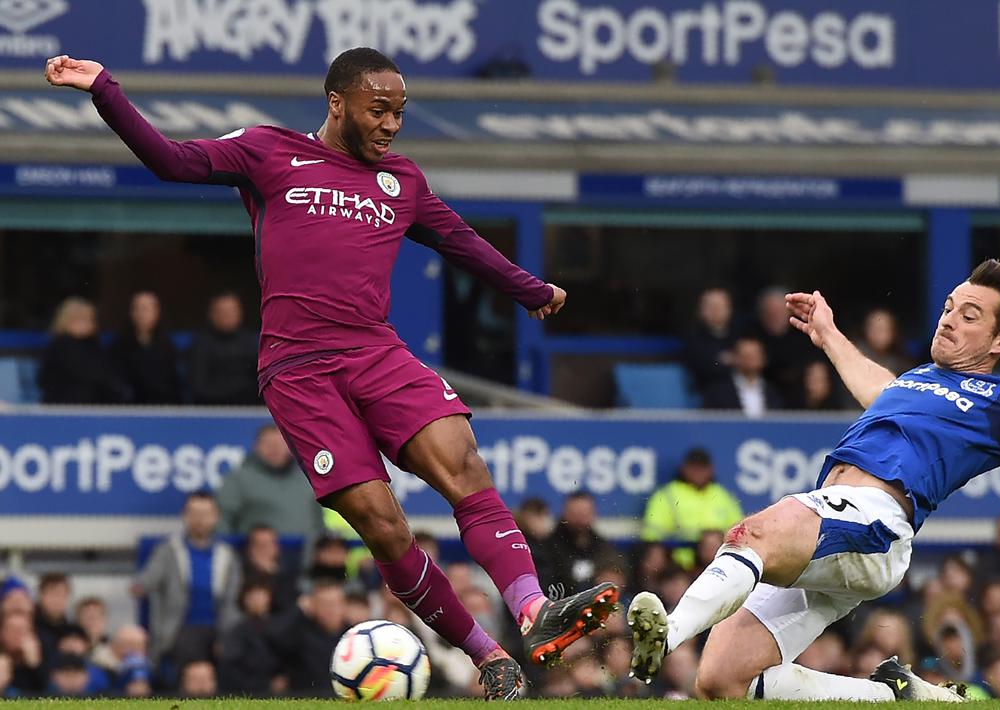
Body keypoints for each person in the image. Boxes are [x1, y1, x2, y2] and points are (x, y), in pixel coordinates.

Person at [48, 48, 615, 699]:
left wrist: (528, 289)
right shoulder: (266, 151)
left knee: (465, 469)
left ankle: (531, 612)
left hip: (377, 352)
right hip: (298, 372)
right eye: (378, 110)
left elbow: (460, 239)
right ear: (337, 102)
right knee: (383, 524)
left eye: (399, 112)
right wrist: (104, 87)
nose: (390, 124)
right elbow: (170, 160)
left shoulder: (401, 181)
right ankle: (489, 657)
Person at [624, 259, 1000, 702]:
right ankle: (900, 698)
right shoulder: (917, 380)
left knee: (752, 533)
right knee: (719, 680)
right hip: (837, 533)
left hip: (872, 521)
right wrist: (830, 334)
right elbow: (876, 389)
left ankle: (664, 636)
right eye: (948, 308)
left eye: (969, 317)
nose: (948, 322)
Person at [132, 491, 241, 672]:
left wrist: (226, 637)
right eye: (194, 514)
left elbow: (232, 600)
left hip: (219, 628)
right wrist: (140, 586)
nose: (199, 520)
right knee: (188, 644)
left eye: (205, 514)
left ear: (215, 517)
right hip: (180, 629)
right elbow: (147, 579)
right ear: (185, 515)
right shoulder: (168, 551)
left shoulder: (227, 555)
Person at [216, 424, 323, 543]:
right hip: (253, 558)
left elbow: (318, 522)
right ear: (256, 447)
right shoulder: (238, 479)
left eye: (280, 444)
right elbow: (222, 520)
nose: (274, 449)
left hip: (305, 557)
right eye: (268, 444)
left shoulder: (307, 478)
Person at [641, 447, 743, 570]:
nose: (698, 472)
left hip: (714, 561)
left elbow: (739, 532)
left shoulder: (723, 496)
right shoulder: (668, 494)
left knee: (712, 540)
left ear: (711, 470)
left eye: (702, 468)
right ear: (684, 469)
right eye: (694, 467)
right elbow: (652, 534)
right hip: (675, 561)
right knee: (655, 553)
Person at [38, 296, 127, 404]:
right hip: (63, 406)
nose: (85, 323)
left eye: (88, 319)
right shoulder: (61, 346)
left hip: (94, 407)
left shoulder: (94, 346)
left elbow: (106, 375)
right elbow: (87, 373)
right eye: (78, 319)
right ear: (65, 320)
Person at [188, 292, 260, 405]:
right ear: (212, 315)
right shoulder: (201, 345)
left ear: (240, 313)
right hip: (213, 411)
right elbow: (199, 388)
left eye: (232, 311)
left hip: (252, 409)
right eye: (223, 312)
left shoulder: (252, 342)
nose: (228, 316)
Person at [110, 291, 181, 404]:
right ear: (130, 313)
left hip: (163, 408)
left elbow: (173, 385)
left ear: (157, 312)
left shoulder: (168, 347)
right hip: (130, 410)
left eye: (146, 309)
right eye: (136, 308)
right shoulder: (118, 346)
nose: (141, 314)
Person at [702, 337, 785, 416]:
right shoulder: (718, 392)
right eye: (746, 356)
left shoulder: (774, 392)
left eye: (754, 356)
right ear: (736, 358)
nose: (751, 360)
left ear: (763, 358)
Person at [682, 287, 737, 392]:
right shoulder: (693, 338)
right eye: (710, 306)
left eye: (720, 306)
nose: (715, 310)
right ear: (699, 310)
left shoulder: (740, 336)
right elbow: (703, 369)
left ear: (730, 309)